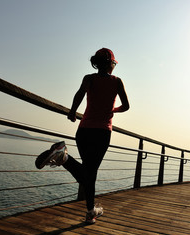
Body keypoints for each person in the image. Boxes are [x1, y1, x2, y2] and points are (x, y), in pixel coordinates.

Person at [36, 48, 129, 224]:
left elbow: (79, 94)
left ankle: (90, 212)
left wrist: (72, 112)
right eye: (114, 63)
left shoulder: (89, 78)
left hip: (84, 130)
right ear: (111, 63)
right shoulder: (117, 82)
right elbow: (126, 106)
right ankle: (63, 157)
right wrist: (112, 109)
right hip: (102, 132)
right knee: (90, 173)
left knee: (88, 174)